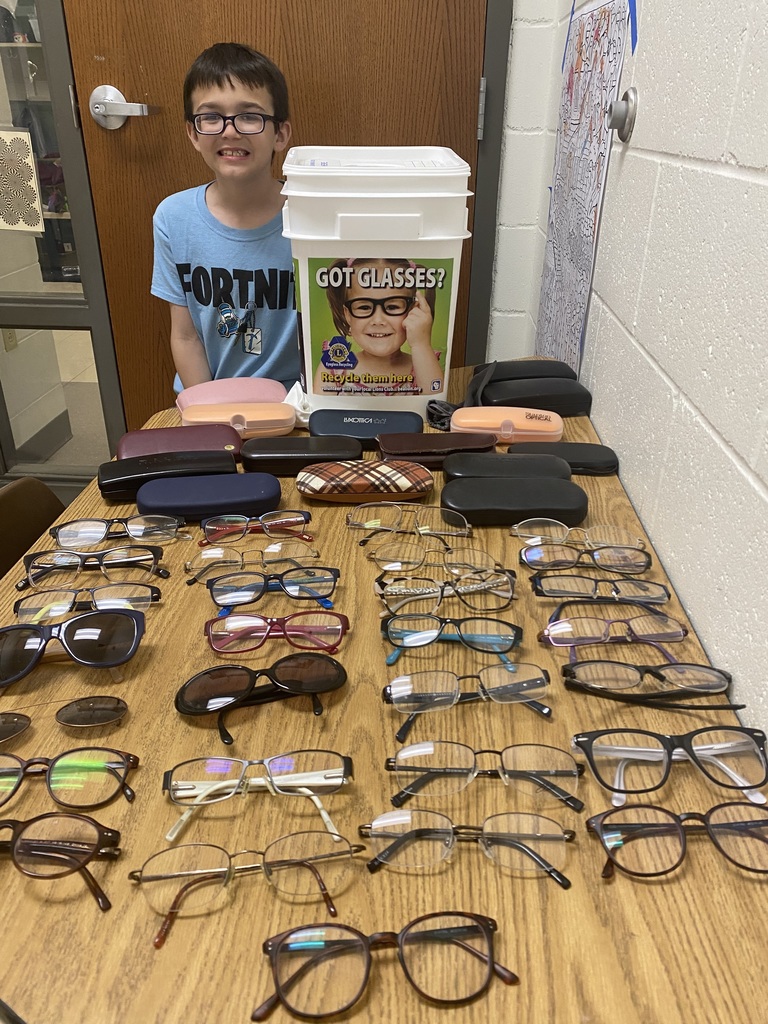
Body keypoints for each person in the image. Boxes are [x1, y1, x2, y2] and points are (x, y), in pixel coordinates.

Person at [151, 42, 301, 393]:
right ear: (192, 132)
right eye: (211, 117)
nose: (229, 131)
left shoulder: (311, 214)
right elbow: (186, 336)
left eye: (250, 116)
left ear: (280, 134)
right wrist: (208, 414)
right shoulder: (174, 218)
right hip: (210, 401)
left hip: (297, 405)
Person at [314, 257, 444, 396]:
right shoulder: (334, 367)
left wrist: (421, 344)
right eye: (364, 307)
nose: (378, 320)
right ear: (348, 315)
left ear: (412, 311)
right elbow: (322, 413)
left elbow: (435, 406)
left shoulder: (422, 365)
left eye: (392, 307)